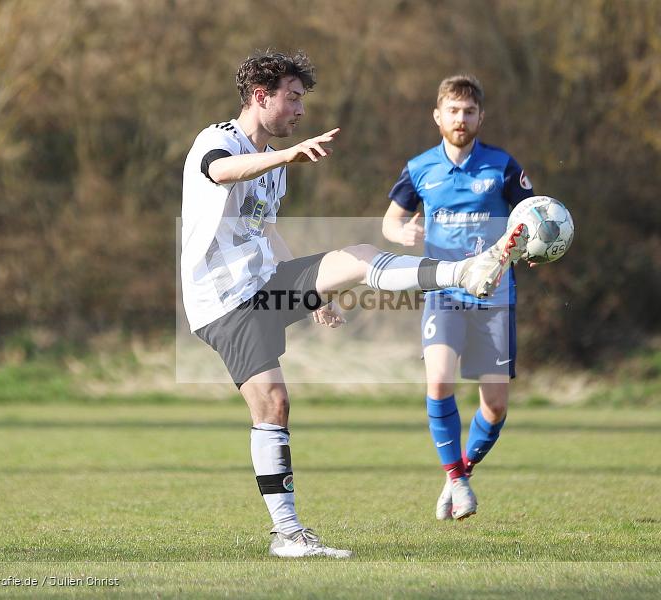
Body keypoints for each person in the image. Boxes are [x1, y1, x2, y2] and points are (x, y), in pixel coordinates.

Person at [181, 53, 526, 558]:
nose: (301, 110)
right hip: (222, 301)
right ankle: (288, 535)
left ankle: (461, 272)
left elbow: (265, 229)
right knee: (273, 404)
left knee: (360, 257)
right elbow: (222, 172)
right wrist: (288, 156)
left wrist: (314, 294)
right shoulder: (219, 140)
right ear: (261, 96)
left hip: (263, 282)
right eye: (293, 98)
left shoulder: (276, 164)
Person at [381, 74, 536, 521]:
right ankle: (458, 480)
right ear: (438, 116)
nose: (461, 118)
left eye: (469, 111)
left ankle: (457, 474)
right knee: (439, 382)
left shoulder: (503, 167)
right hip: (443, 293)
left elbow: (534, 217)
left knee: (496, 404)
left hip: (495, 297)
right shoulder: (419, 168)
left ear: (480, 117)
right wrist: (403, 230)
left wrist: (530, 245)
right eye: (453, 110)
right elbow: (390, 222)